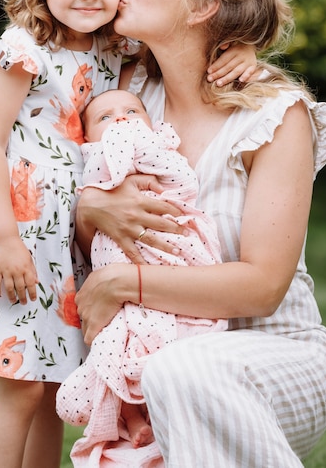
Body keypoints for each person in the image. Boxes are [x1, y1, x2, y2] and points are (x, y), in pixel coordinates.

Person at [0, 0, 256, 468]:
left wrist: (242, 45)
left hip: (71, 241)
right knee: (18, 386)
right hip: (17, 233)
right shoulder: (24, 50)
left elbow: (195, 35)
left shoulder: (114, 47)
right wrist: (4, 240)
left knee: (49, 387)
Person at [74, 0, 326, 467]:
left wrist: (125, 282)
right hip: (157, 351)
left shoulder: (274, 115)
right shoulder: (124, 98)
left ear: (201, 7)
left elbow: (263, 286)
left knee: (182, 369)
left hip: (275, 355)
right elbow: (88, 235)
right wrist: (91, 205)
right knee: (160, 388)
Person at [56, 89, 228, 465]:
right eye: (105, 118)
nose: (120, 120)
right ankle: (131, 418)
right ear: (86, 138)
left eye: (132, 111)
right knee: (111, 342)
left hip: (162, 257)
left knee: (152, 338)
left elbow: (183, 184)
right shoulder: (92, 160)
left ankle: (149, 411)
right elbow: (97, 190)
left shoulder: (162, 149)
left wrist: (143, 143)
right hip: (113, 266)